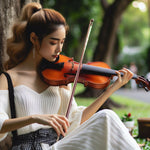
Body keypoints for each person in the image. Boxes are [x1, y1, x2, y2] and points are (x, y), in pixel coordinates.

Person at [0, 2, 140, 150]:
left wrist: (112, 89)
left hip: (59, 145)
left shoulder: (61, 78)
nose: (59, 49)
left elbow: (75, 122)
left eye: (62, 42)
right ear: (34, 38)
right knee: (106, 117)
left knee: (107, 116)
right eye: (53, 42)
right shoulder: (9, 79)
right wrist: (34, 118)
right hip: (27, 147)